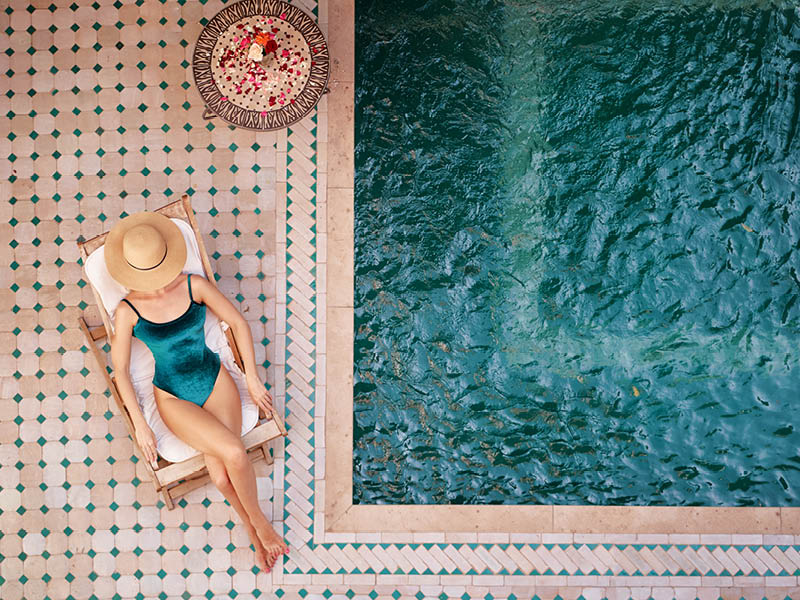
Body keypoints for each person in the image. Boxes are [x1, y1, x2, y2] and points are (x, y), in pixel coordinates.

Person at [104, 211, 289, 573]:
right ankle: (262, 526)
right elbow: (122, 371)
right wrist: (141, 424)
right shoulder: (127, 311)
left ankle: (255, 536)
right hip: (172, 395)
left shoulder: (192, 285)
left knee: (222, 474)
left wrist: (251, 377)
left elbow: (236, 321)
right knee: (235, 452)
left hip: (213, 378)